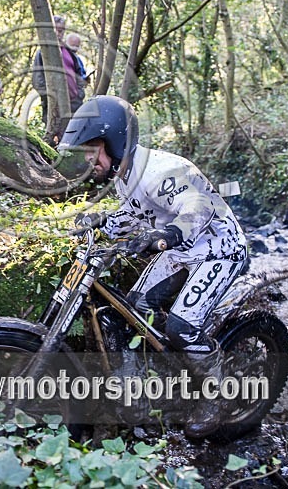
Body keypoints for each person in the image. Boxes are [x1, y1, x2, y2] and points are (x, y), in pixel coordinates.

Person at [60, 95, 248, 439]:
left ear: (115, 141)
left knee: (181, 326)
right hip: (181, 248)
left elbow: (198, 204)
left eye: (92, 150)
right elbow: (133, 214)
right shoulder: (126, 175)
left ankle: (218, 396)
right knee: (133, 308)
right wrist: (99, 223)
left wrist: (171, 232)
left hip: (218, 248)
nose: (89, 160)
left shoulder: (162, 171)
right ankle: (149, 388)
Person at [31, 15, 84, 127]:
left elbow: (79, 75)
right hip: (54, 107)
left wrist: (79, 94)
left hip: (74, 104)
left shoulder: (70, 52)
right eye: (56, 30)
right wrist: (51, 98)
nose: (59, 33)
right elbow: (37, 80)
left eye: (61, 30)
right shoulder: (42, 53)